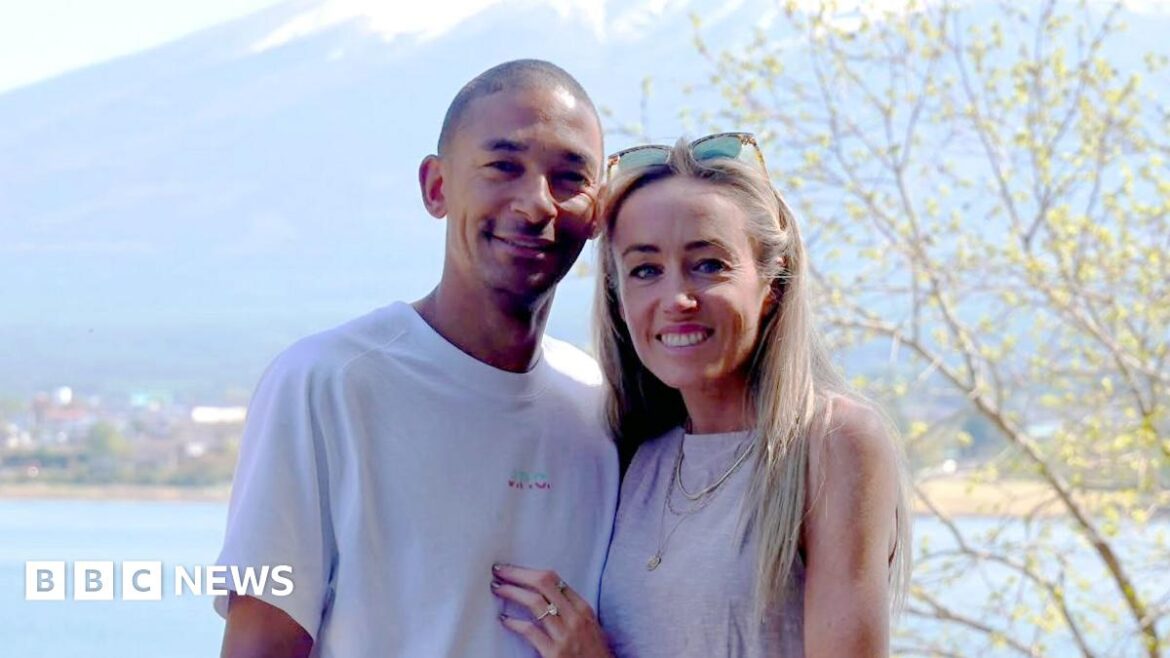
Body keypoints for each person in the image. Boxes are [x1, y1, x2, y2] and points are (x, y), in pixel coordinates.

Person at [215, 59, 620, 658]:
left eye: (569, 178)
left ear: (597, 212)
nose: (536, 204)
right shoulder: (326, 383)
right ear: (436, 188)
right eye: (503, 167)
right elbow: (259, 645)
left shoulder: (601, 408)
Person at [491, 134, 911, 657]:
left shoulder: (832, 442)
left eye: (709, 264)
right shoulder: (632, 456)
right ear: (620, 300)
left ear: (770, 284)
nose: (677, 299)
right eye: (645, 270)